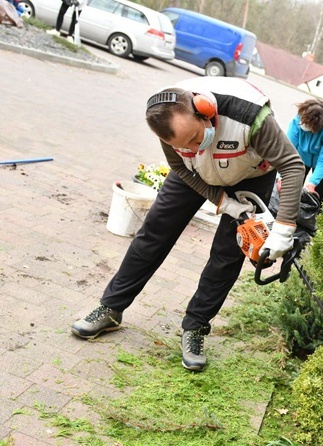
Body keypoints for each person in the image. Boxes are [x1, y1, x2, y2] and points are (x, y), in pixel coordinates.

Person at [71, 76, 305, 372]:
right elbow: (180, 165)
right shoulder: (164, 118)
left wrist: (284, 228)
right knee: (153, 234)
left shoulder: (250, 116)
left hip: (251, 172)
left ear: (203, 110)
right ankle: (111, 308)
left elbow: (293, 164)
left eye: (196, 137)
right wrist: (221, 202)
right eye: (186, 144)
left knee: (227, 254)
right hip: (192, 175)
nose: (195, 146)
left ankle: (195, 327)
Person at [284, 98, 323, 198]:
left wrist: (312, 184)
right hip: (301, 155)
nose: (303, 124)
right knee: (290, 188)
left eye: (307, 124)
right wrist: (281, 177)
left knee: (320, 194)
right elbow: (288, 149)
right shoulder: (299, 118)